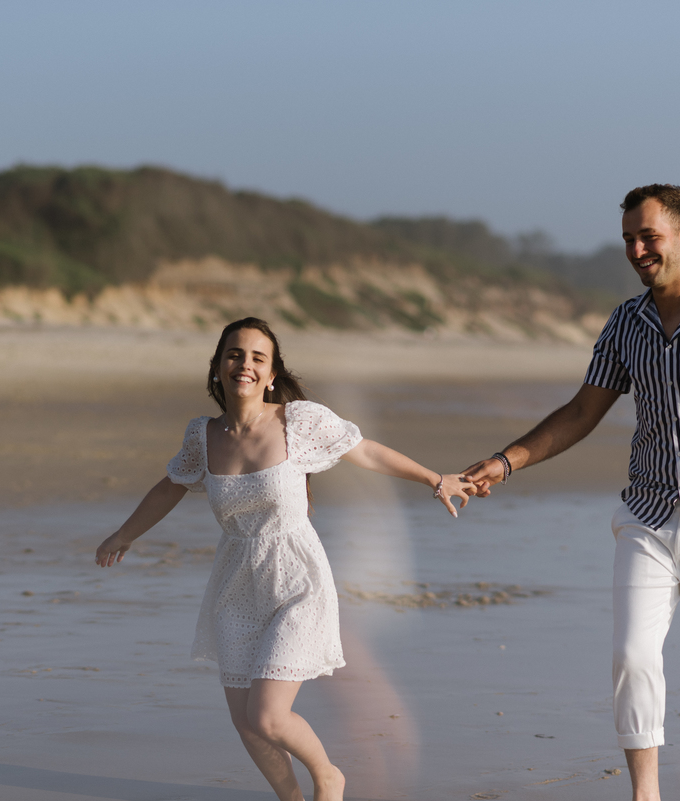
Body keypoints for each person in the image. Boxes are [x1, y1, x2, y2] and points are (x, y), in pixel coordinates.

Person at [463, 185, 680, 801]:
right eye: (628, 239)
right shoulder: (626, 322)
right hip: (645, 513)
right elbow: (583, 409)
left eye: (649, 236)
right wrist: (506, 462)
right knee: (631, 655)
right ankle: (646, 793)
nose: (636, 249)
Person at [96, 316, 473, 801]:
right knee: (247, 725)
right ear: (217, 367)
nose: (245, 365)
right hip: (235, 583)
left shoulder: (300, 421)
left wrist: (435, 479)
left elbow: (369, 453)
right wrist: (123, 535)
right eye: (235, 355)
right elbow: (171, 485)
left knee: (268, 716)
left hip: (297, 580)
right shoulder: (202, 436)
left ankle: (328, 777)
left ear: (272, 374)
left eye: (258, 358)